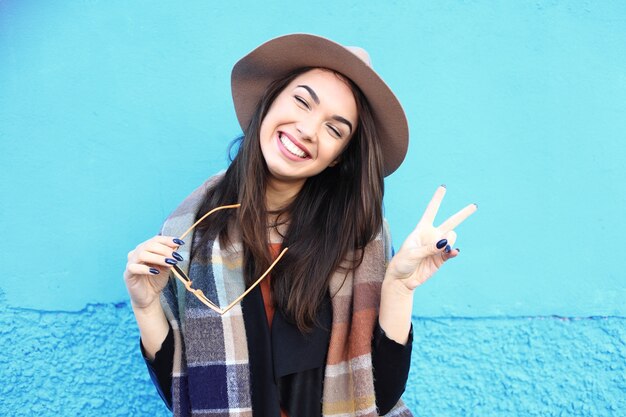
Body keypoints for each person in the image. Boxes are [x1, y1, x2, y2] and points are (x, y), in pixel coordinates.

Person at [124, 34, 476, 417]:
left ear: (338, 159)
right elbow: (184, 393)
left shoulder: (360, 237)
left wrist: (399, 288)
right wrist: (146, 306)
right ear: (270, 100)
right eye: (302, 101)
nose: (308, 129)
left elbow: (381, 397)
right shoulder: (191, 228)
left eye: (334, 129)